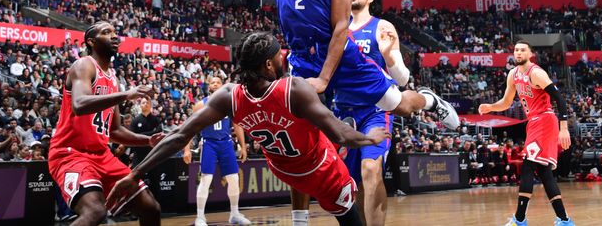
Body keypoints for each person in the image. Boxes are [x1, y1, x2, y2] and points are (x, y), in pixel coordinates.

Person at [244, 0, 458, 225]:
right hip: (301, 58)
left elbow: (341, 28)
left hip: (340, 57)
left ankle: (431, 101)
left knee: (398, 104)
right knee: (300, 134)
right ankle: (300, 219)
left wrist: (325, 78)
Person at [106, 32, 390, 226]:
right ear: (269, 64)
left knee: (300, 141)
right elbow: (340, 133)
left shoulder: (228, 95)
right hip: (319, 170)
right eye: (280, 56)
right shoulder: (294, 89)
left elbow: (179, 135)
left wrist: (135, 173)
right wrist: (368, 137)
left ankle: (299, 220)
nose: (284, 59)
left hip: (283, 169)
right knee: (350, 217)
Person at [47, 21, 163, 226]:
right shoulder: (84, 65)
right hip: (70, 154)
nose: (114, 36)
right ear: (91, 41)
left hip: (102, 156)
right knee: (95, 212)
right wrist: (126, 94)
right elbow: (79, 104)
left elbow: (115, 130)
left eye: (115, 32)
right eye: (106, 32)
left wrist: (148, 141)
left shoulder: (113, 79)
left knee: (151, 208)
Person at [333, 0, 411, 226]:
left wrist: (388, 56)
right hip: (343, 112)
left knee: (371, 170)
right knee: (351, 182)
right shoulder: (336, 26)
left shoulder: (382, 27)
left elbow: (402, 79)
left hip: (376, 110)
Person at [478, 41, 574, 226]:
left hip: (545, 121)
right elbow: (506, 102)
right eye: (516, 50)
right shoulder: (513, 74)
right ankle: (564, 220)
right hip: (534, 122)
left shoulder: (536, 73)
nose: (519, 53)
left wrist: (564, 129)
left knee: (528, 166)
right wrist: (491, 107)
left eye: (523, 50)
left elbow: (559, 99)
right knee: (545, 172)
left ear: (530, 54)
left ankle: (519, 220)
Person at [183, 76, 251, 226]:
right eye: (212, 82)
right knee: (205, 180)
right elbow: (190, 127)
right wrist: (186, 149)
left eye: (218, 82)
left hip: (226, 143)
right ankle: (200, 217)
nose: (215, 84)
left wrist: (243, 146)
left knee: (234, 180)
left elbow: (238, 125)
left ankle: (234, 214)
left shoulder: (229, 104)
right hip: (209, 144)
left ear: (222, 86)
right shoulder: (201, 105)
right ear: (209, 86)